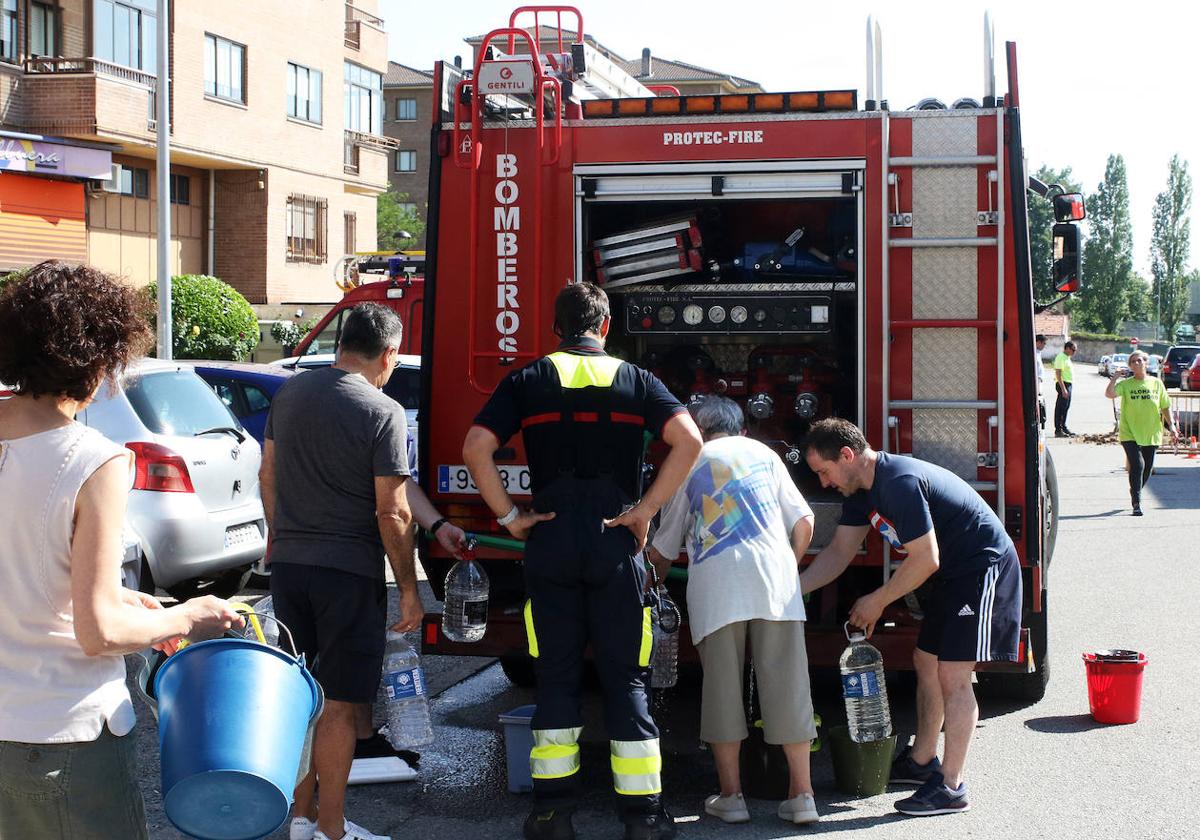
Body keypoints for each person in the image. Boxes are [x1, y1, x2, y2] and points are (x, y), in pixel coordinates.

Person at [0, 261, 244, 840]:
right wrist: (187, 613)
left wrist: (120, 599)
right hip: (62, 734)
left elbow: (29, 573)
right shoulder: (92, 458)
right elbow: (98, 632)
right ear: (96, 358)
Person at [462, 282, 703, 840]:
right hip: (616, 540)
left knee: (557, 679)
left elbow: (476, 446)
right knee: (626, 680)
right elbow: (688, 440)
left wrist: (508, 518)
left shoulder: (528, 378)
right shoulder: (636, 379)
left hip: (549, 540)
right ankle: (642, 818)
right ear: (606, 325)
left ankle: (552, 814)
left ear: (555, 327)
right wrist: (646, 510)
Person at [799, 418, 1022, 817]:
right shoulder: (861, 491)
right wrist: (790, 592)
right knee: (926, 660)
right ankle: (921, 762)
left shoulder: (897, 482)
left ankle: (951, 787)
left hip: (983, 567)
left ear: (847, 456)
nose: (825, 482)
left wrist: (877, 601)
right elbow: (837, 553)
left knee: (954, 675)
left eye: (825, 471)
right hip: (951, 574)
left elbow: (926, 557)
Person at [261, 303, 424, 840]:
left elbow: (268, 472)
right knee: (337, 702)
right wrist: (407, 589)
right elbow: (393, 510)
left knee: (303, 696)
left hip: (289, 567)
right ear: (389, 354)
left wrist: (276, 535)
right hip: (347, 573)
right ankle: (332, 829)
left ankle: (301, 820)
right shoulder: (382, 410)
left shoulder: (290, 394)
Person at [647, 396, 818, 826]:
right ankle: (802, 797)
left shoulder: (688, 460)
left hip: (717, 589)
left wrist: (647, 585)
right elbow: (804, 523)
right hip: (776, 586)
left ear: (698, 431)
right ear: (742, 429)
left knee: (722, 690)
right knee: (788, 686)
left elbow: (664, 549)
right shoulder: (766, 454)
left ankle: (732, 797)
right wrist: (786, 569)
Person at [1105, 350, 1177, 515]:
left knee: (1148, 468)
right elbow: (1109, 394)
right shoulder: (1127, 384)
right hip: (1129, 432)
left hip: (1151, 432)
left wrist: (1171, 425)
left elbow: (1165, 405)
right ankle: (1136, 502)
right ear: (1130, 366)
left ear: (1146, 363)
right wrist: (1115, 377)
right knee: (1138, 465)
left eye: (1140, 361)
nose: (1137, 363)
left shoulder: (1156, 383)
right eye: (1133, 362)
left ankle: (1134, 490)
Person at [1053, 340, 1077, 437]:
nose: (1074, 352)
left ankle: (1063, 426)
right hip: (1063, 384)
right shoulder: (1061, 357)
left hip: (1068, 384)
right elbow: (1058, 373)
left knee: (1066, 407)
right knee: (1061, 407)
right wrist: (1063, 389)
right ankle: (1058, 429)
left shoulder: (1067, 357)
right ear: (1067, 348)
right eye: (1073, 350)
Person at [1034, 334, 1047, 429]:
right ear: (1038, 342)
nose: (1044, 346)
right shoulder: (1033, 352)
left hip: (1040, 380)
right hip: (1036, 381)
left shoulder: (1038, 352)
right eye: (1044, 343)